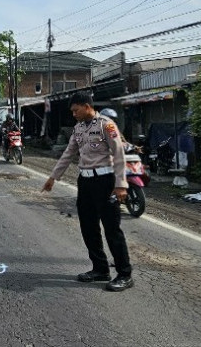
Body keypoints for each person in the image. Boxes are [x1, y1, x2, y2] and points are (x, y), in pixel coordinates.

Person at [41, 92, 134, 292]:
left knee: (112, 229)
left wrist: (121, 184)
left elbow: (118, 154)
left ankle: (125, 274)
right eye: (72, 111)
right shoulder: (78, 128)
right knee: (88, 227)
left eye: (76, 110)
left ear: (86, 106)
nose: (73, 114)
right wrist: (52, 177)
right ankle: (100, 269)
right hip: (85, 182)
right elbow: (68, 153)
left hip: (106, 181)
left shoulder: (106, 125)